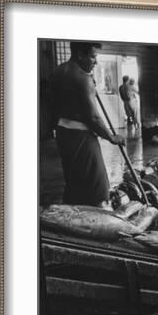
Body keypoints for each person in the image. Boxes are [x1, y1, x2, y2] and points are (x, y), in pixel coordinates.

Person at [50, 41, 125, 206]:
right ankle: (95, 219)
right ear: (80, 55)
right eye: (93, 57)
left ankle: (73, 213)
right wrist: (111, 137)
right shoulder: (83, 79)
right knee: (98, 185)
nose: (96, 62)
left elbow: (54, 106)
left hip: (63, 133)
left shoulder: (58, 72)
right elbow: (93, 118)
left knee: (74, 179)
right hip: (82, 135)